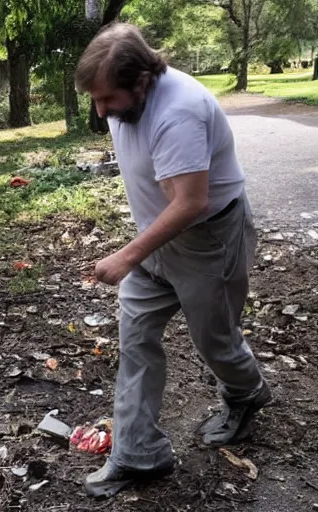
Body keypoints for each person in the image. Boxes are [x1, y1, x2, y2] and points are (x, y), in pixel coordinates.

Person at [74, 23, 271, 499]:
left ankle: (246, 393)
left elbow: (190, 203)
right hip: (155, 242)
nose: (100, 113)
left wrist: (126, 255)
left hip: (209, 241)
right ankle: (138, 454)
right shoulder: (129, 103)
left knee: (216, 341)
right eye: (94, 100)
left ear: (141, 80)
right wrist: (141, 248)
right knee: (135, 337)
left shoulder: (178, 111)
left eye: (107, 99)